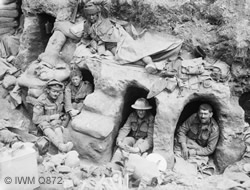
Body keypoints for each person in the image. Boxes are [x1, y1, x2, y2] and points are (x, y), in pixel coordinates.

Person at [80, 0, 182, 74]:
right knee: (121, 57)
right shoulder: (87, 25)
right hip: (109, 44)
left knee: (134, 49)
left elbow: (106, 3)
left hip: (119, 36)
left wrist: (93, 1)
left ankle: (150, 62)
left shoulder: (104, 15)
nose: (92, 17)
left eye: (93, 15)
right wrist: (92, 46)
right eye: (89, 15)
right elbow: (85, 38)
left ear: (97, 13)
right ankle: (147, 65)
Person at [32, 79, 73, 153]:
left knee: (57, 127)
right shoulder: (42, 100)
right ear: (48, 91)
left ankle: (61, 150)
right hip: (43, 125)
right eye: (54, 91)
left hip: (56, 123)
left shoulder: (60, 97)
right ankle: (62, 147)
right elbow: (35, 119)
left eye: (58, 92)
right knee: (46, 126)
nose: (56, 94)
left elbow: (66, 102)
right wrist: (52, 117)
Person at [111, 98, 154, 163]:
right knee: (126, 140)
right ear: (136, 109)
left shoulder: (150, 118)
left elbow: (150, 139)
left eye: (143, 110)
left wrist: (138, 149)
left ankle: (128, 165)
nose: (140, 112)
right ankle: (113, 165)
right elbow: (125, 129)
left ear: (146, 110)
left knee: (138, 144)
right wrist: (119, 140)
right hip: (133, 139)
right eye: (139, 110)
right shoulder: (132, 115)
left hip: (142, 142)